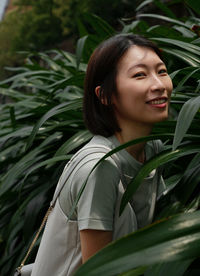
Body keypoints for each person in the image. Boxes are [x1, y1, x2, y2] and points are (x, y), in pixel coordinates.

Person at [31, 34, 173, 275]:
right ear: (105, 95)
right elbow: (99, 271)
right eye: (140, 75)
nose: (159, 84)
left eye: (161, 71)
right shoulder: (99, 167)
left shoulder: (152, 149)